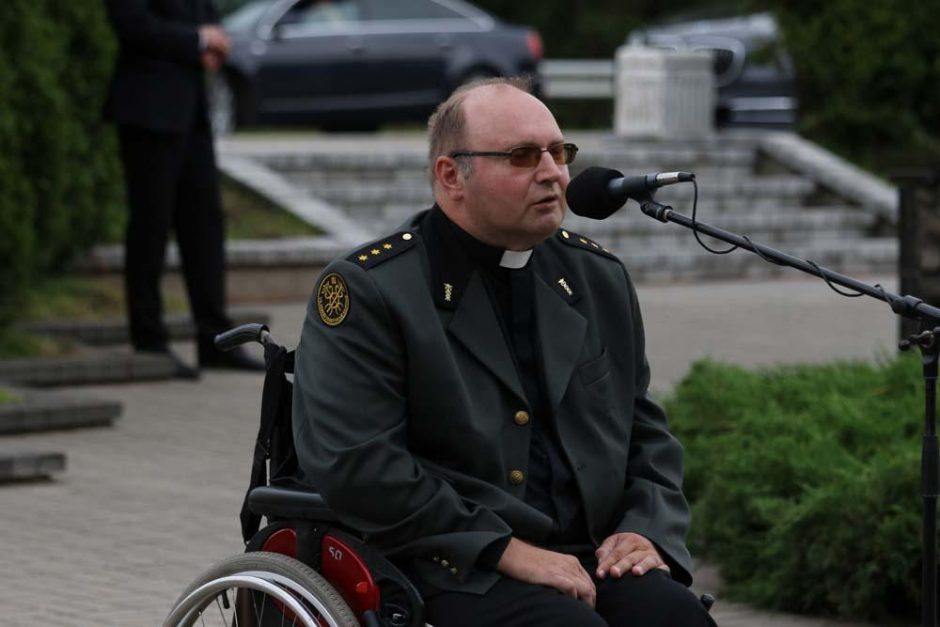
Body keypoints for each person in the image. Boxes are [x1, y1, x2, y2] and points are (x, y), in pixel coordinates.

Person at [292, 78, 715, 626]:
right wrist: (502, 549)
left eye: (559, 152)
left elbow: (644, 430)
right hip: (446, 562)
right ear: (451, 176)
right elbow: (358, 465)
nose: (553, 173)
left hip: (588, 553)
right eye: (522, 156)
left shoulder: (594, 277)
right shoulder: (373, 289)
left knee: (675, 619)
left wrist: (645, 529)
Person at [103, 0, 263, 378]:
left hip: (191, 112)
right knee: (150, 226)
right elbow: (131, 22)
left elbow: (203, 13)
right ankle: (150, 341)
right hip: (148, 111)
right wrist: (195, 40)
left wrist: (212, 42)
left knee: (205, 226)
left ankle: (215, 341)